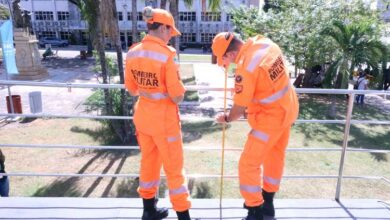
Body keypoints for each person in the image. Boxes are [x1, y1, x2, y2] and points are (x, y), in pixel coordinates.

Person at [211, 32, 299, 220]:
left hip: (270, 120)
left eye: (224, 60)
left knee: (247, 164)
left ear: (229, 55)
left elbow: (239, 107)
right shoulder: (267, 43)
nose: (228, 64)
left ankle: (255, 211)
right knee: (275, 158)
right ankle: (268, 204)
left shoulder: (245, 68)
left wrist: (226, 118)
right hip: (288, 111)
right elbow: (268, 84)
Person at [124, 7, 193, 220]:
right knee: (174, 168)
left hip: (144, 119)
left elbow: (131, 88)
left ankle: (149, 211)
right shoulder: (166, 55)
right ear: (162, 27)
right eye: (170, 30)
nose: (171, 35)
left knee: (148, 164)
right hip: (164, 122)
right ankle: (183, 217)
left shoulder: (133, 51)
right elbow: (177, 96)